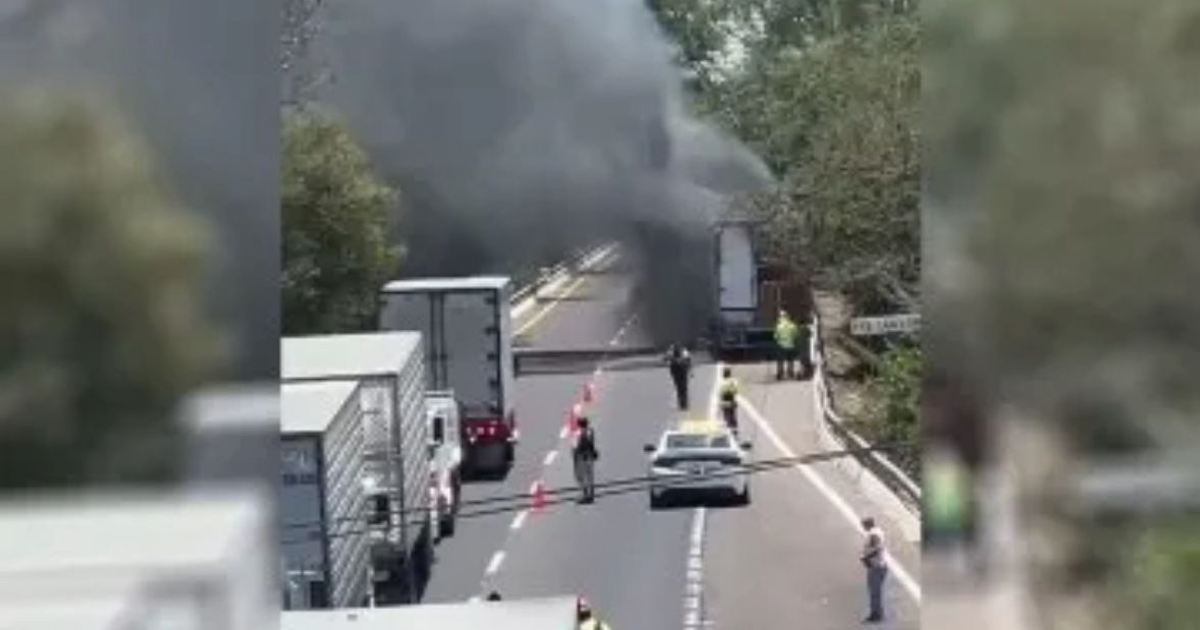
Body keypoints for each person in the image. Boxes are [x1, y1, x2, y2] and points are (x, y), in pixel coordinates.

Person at [860, 516, 889, 623]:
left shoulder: (873, 534)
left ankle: (876, 614)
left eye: (863, 525)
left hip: (876, 567)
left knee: (874, 592)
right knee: (875, 591)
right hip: (878, 565)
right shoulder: (878, 531)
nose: (863, 527)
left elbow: (878, 548)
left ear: (868, 524)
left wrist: (866, 557)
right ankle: (877, 613)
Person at [573, 417, 600, 503]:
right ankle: (591, 495)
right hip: (589, 456)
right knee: (590, 477)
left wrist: (576, 455)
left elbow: (577, 446)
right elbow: (592, 444)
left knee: (581, 477)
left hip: (582, 457)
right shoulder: (590, 431)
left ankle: (586, 495)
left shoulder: (579, 433)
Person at [664, 344, 692, 410]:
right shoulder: (671, 353)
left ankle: (684, 404)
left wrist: (689, 370)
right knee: (680, 387)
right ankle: (683, 404)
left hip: (682, 370)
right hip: (677, 370)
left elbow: (689, 361)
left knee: (682, 387)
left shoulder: (684, 352)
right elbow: (665, 359)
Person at [774, 310, 800, 380]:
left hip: (781, 346)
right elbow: (796, 335)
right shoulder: (792, 325)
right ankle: (790, 373)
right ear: (788, 317)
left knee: (780, 360)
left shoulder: (779, 326)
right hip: (791, 345)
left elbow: (776, 337)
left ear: (781, 317)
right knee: (790, 360)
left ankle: (780, 373)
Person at [718, 367, 740, 432]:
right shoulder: (733, 381)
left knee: (726, 416)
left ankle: (728, 428)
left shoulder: (721, 382)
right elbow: (736, 391)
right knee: (732, 415)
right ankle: (734, 429)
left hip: (724, 401)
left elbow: (720, 393)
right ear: (729, 374)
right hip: (731, 400)